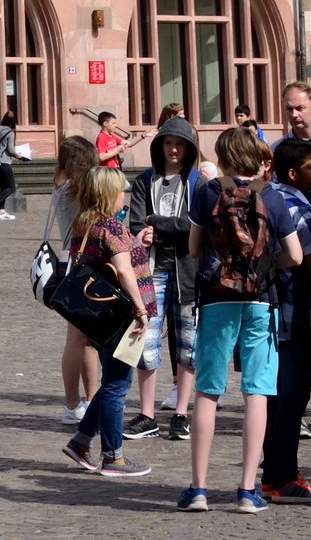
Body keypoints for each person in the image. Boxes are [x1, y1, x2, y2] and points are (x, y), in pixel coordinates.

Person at [178, 125, 299, 513]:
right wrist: (263, 270)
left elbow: (194, 248)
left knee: (208, 392)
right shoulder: (273, 198)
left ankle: (198, 488)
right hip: (262, 302)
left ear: (225, 157)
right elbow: (294, 256)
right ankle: (248, 489)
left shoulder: (207, 192)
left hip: (216, 300)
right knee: (257, 392)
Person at [57, 165, 153, 480]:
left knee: (113, 380)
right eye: (120, 191)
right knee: (117, 385)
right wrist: (140, 309)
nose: (123, 197)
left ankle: (81, 441)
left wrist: (136, 240)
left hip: (101, 318)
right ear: (108, 194)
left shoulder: (84, 223)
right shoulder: (110, 225)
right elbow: (123, 271)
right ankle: (113, 456)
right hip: (122, 317)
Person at [259, 137, 311, 504]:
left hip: (268, 308)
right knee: (291, 397)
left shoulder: (267, 196)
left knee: (274, 396)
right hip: (297, 310)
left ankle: (271, 473)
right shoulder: (298, 208)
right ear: (294, 172)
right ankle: (284, 476)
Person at [127, 114, 200, 441]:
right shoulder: (145, 181)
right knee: (146, 340)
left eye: (179, 145)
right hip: (152, 270)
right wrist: (147, 231)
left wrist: (159, 224)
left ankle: (182, 413)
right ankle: (147, 414)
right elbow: (135, 225)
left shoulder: (199, 182)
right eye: (169, 144)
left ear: (188, 149)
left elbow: (194, 226)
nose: (173, 150)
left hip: (189, 271)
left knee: (189, 344)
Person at [46, 136, 100, 425]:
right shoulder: (74, 191)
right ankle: (71, 403)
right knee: (77, 338)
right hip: (80, 263)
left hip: (77, 262)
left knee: (86, 339)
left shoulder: (62, 185)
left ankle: (91, 399)